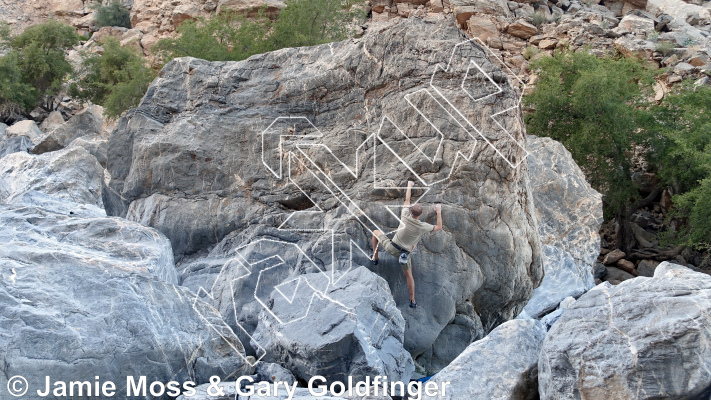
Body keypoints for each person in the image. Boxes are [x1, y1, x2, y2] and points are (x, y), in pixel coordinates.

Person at [371, 180, 443, 308]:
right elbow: (438, 227)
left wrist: (409, 186)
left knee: (375, 232)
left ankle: (375, 258)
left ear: (411, 212)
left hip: (391, 247)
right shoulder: (423, 226)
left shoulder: (405, 215)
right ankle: (412, 301)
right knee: (409, 276)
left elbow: (407, 200)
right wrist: (438, 211)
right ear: (421, 214)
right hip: (404, 256)